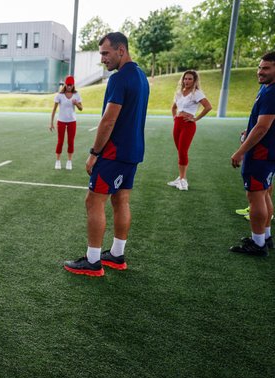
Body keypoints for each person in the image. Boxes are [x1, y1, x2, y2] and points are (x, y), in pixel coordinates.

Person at [64, 32, 149, 277]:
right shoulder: (141, 76)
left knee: (94, 201)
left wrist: (94, 153)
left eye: (105, 53)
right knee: (121, 200)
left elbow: (108, 120)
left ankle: (92, 261)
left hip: (113, 152)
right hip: (132, 151)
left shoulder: (119, 79)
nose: (102, 59)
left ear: (121, 50)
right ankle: (117, 254)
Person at [229, 51, 275, 256]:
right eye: (259, 67)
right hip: (266, 151)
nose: (260, 71)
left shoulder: (272, 92)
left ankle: (258, 245)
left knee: (255, 195)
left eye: (266, 68)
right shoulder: (267, 88)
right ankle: (265, 237)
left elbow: (263, 127)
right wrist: (249, 130)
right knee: (263, 193)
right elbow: (261, 123)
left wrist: (240, 151)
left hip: (261, 153)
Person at [167, 70, 212, 191]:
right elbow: (173, 107)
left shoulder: (196, 93)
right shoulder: (179, 93)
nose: (186, 81)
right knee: (179, 151)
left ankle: (183, 180)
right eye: (185, 79)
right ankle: (180, 178)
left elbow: (208, 107)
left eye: (190, 79)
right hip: (178, 123)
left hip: (188, 125)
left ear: (194, 81)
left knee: (183, 151)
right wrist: (174, 118)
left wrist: (196, 118)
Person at [49, 75, 83, 170]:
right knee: (60, 141)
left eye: (71, 85)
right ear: (65, 84)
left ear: (73, 85)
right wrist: (51, 123)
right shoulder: (59, 95)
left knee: (70, 142)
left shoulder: (77, 95)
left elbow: (81, 108)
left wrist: (76, 103)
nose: (69, 86)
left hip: (72, 121)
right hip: (61, 121)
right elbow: (54, 110)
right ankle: (58, 161)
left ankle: (69, 161)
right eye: (68, 85)